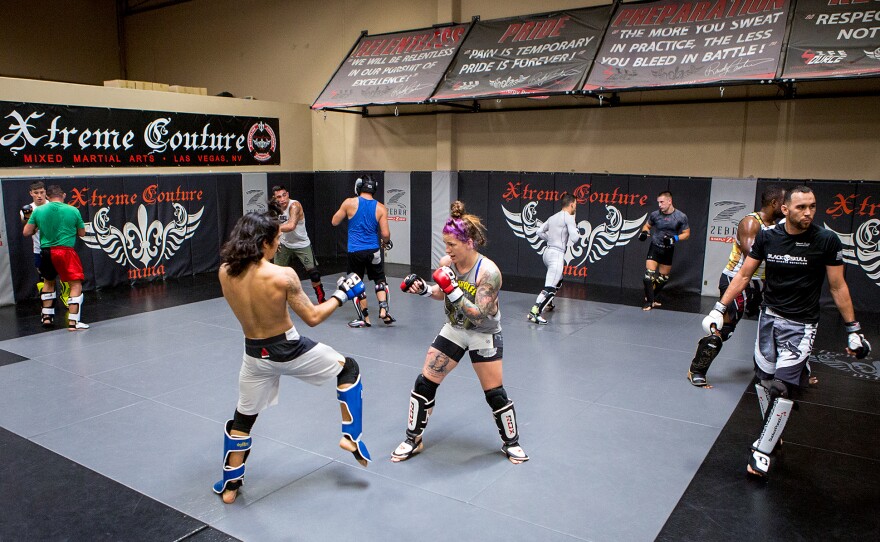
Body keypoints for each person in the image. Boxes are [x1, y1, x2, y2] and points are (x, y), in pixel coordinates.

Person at [701, 186, 871, 478]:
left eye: (812, 207)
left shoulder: (825, 240)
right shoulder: (768, 237)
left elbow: (838, 286)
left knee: (783, 387)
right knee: (765, 381)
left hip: (802, 325)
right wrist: (719, 307)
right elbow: (744, 274)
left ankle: (761, 452)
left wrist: (853, 329)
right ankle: (773, 431)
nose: (808, 213)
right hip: (769, 319)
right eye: (801, 207)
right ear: (785, 209)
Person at [213, 212, 372, 504]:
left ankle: (230, 485)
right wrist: (341, 296)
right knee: (348, 368)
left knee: (243, 418)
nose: (279, 245)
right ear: (263, 243)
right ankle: (351, 436)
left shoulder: (225, 271)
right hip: (289, 350)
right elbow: (312, 317)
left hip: (254, 356)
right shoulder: (282, 275)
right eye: (276, 240)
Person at [393, 201, 528, 465]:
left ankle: (511, 443)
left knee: (495, 394)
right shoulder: (448, 263)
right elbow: (439, 292)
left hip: (483, 334)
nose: (447, 251)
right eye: (445, 244)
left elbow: (479, 313)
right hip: (454, 330)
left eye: (452, 244)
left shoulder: (489, 273)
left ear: (469, 242)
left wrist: (453, 290)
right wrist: (422, 289)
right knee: (424, 382)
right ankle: (413, 438)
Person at [688, 185, 785, 387]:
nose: (786, 208)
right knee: (724, 329)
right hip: (738, 281)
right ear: (774, 203)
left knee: (779, 327)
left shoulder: (778, 226)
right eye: (784, 203)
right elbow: (752, 255)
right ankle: (697, 369)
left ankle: (783, 371)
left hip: (764, 283)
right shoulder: (751, 223)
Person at [331, 174, 393, 327]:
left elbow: (334, 222)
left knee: (355, 282)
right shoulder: (380, 207)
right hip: (373, 250)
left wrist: (348, 213)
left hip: (355, 251)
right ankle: (383, 310)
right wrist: (386, 242)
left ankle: (364, 318)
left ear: (358, 186)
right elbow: (385, 234)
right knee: (380, 279)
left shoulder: (349, 203)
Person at [22, 185, 88, 330]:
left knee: (48, 282)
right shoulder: (73, 210)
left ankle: (46, 317)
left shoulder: (38, 210)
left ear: (47, 197)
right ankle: (73, 322)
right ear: (63, 195)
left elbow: (26, 232)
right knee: (75, 285)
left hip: (46, 251)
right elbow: (82, 233)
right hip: (65, 251)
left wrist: (33, 223)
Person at [528, 193, 579, 324]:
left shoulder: (552, 217)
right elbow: (575, 238)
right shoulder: (569, 218)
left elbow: (539, 232)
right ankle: (535, 312)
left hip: (547, 253)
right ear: (572, 204)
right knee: (550, 287)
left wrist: (550, 239)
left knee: (558, 280)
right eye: (575, 205)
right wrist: (575, 228)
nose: (575, 208)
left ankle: (548, 303)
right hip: (556, 255)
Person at [270, 185, 326, 304]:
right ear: (275, 198)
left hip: (301, 244)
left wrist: (271, 229)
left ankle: (321, 299)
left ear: (288, 194)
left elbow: (291, 226)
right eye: (279, 197)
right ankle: (277, 301)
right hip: (284, 244)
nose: (282, 199)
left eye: (284, 195)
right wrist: (276, 239)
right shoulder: (275, 208)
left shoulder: (295, 205)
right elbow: (275, 223)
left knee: (314, 274)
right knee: (276, 274)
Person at [637, 191, 690, 310]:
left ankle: (651, 297)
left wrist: (674, 239)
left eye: (662, 202)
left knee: (663, 278)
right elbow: (646, 226)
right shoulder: (655, 215)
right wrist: (645, 232)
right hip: (655, 247)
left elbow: (686, 234)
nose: (659, 205)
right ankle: (649, 302)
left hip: (668, 250)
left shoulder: (681, 217)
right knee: (648, 276)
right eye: (658, 202)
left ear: (669, 201)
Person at [19, 181, 70, 306]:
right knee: (44, 278)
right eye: (36, 193)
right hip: (40, 249)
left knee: (66, 275)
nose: (39, 195)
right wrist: (29, 218)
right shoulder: (27, 210)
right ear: (31, 193)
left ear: (46, 193)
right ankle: (47, 303)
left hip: (59, 246)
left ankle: (66, 297)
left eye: (42, 192)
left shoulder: (53, 205)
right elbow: (28, 231)